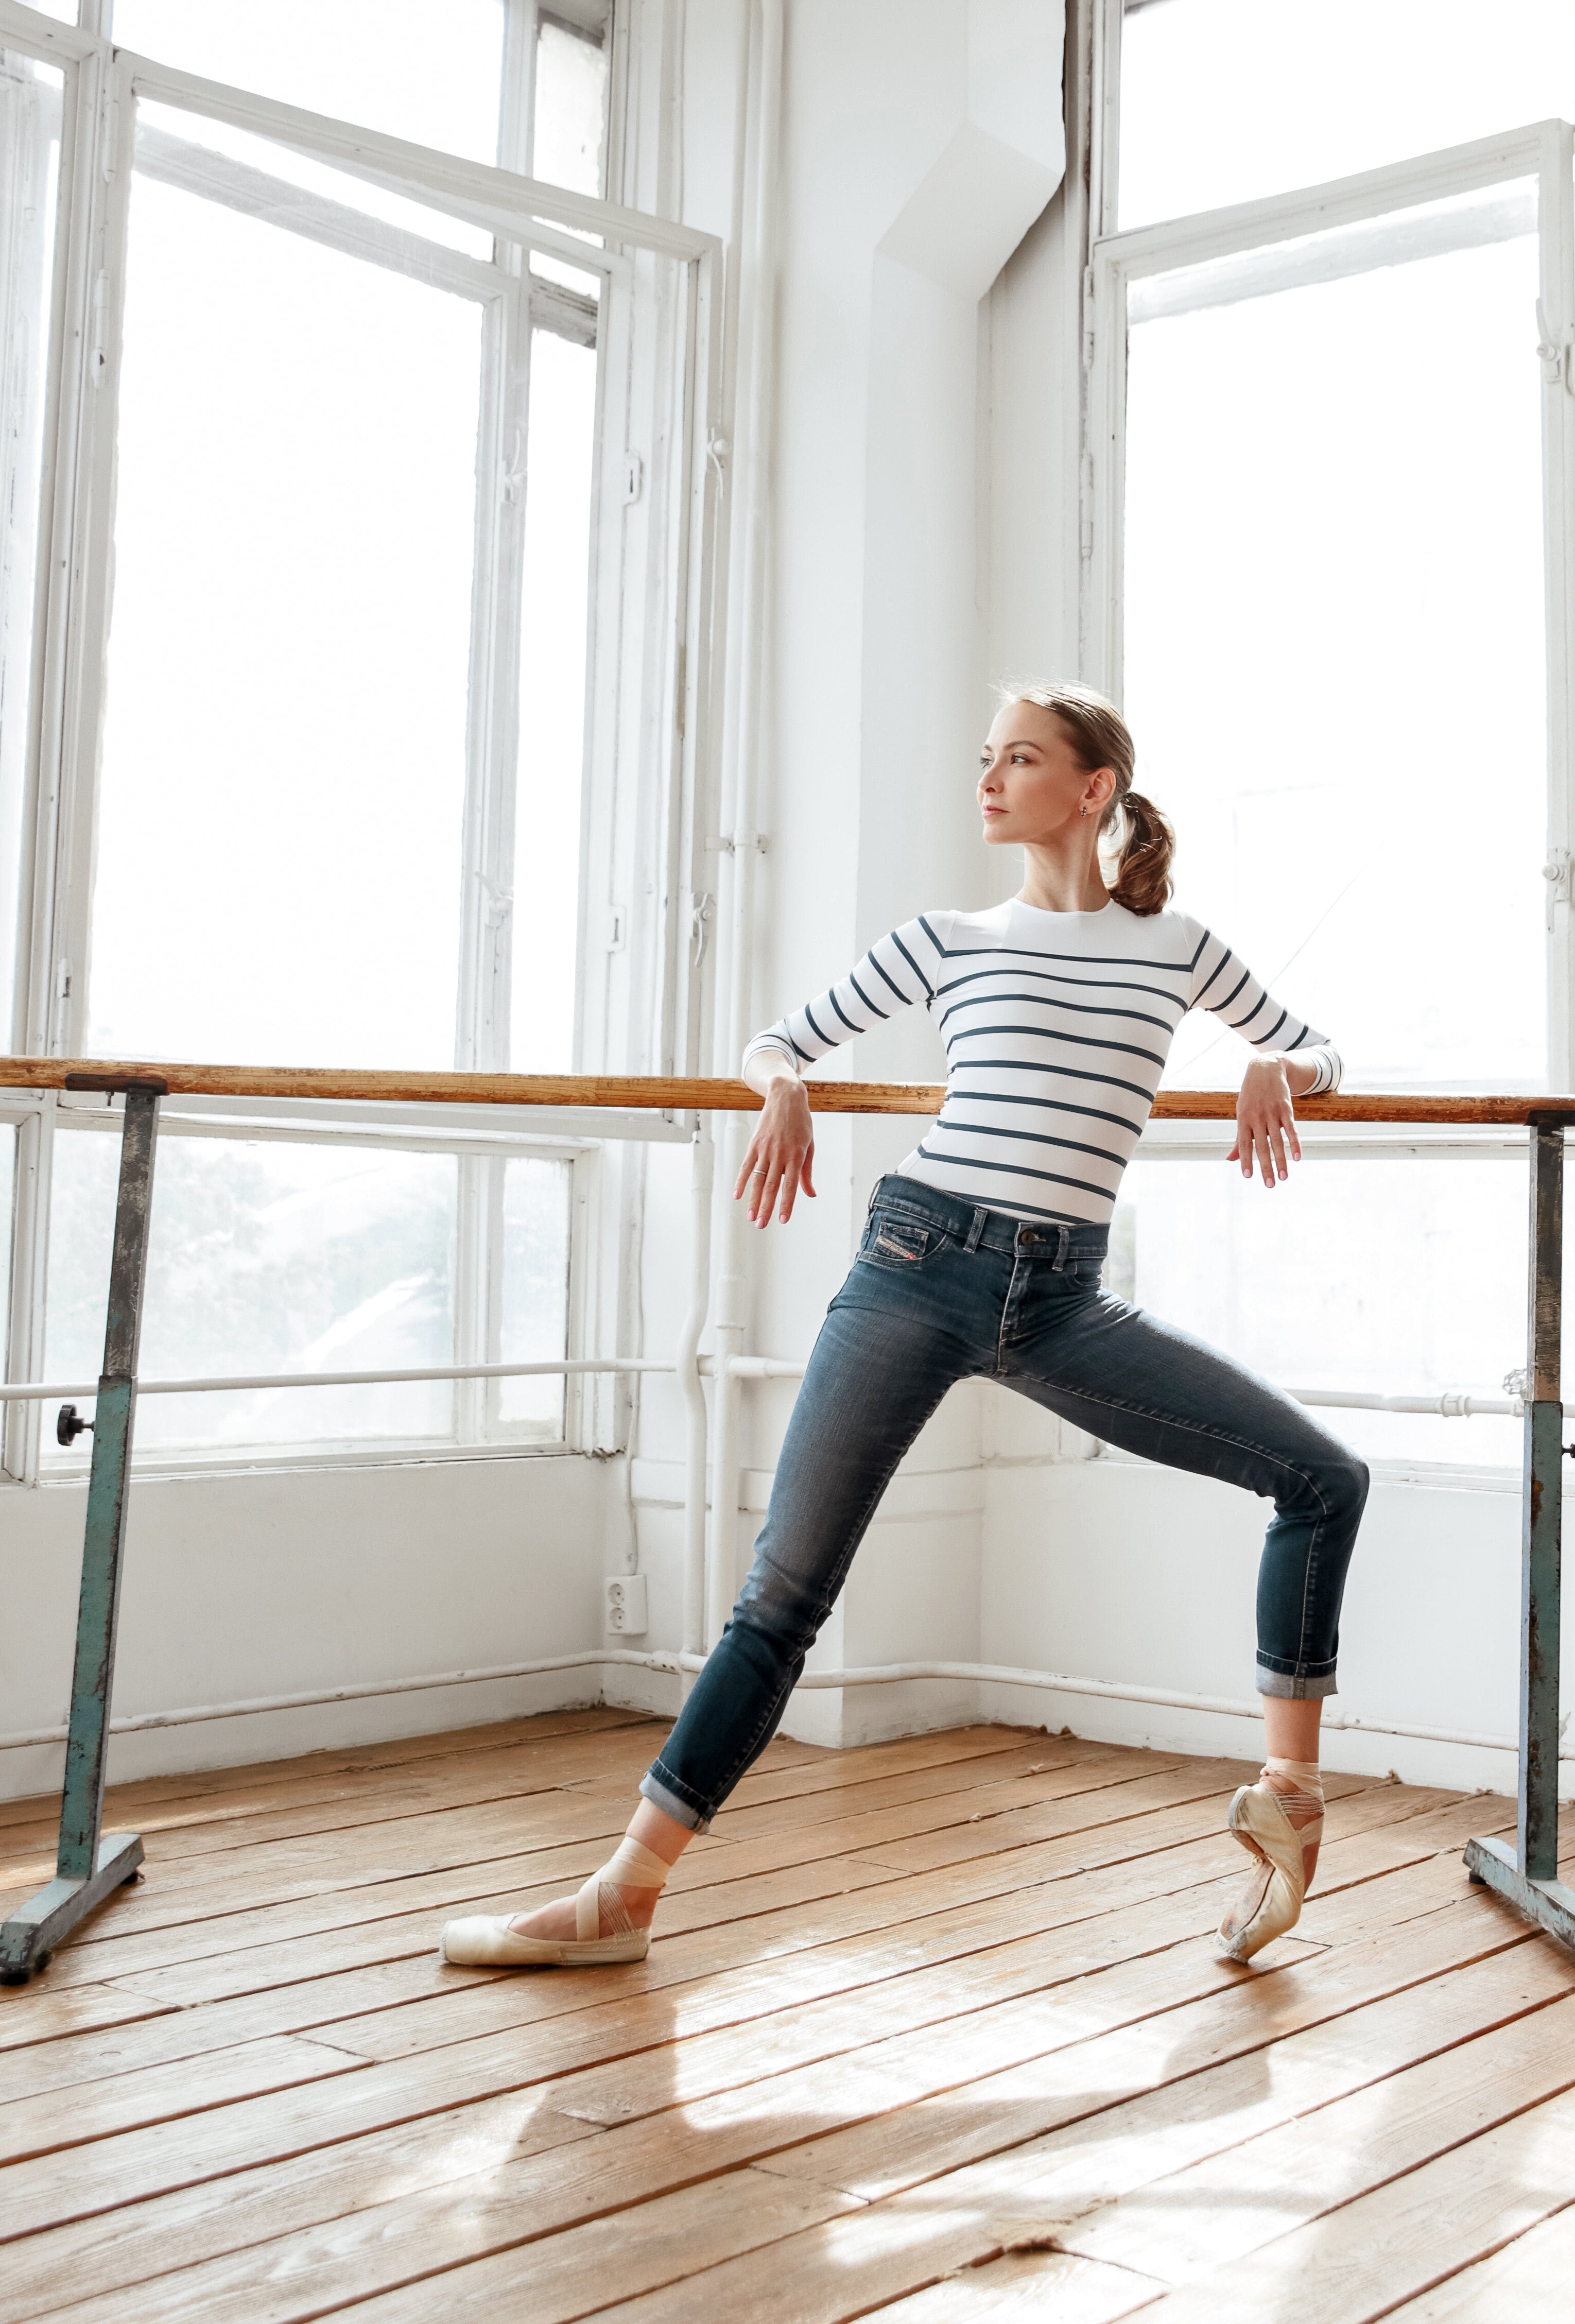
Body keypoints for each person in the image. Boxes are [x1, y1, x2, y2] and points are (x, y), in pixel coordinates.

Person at [443, 685, 1369, 1975]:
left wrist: (1283, 1065)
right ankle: (621, 1899)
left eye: (1021, 758)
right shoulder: (949, 938)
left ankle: (1292, 1799)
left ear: (1095, 787)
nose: (988, 778)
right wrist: (785, 1092)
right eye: (984, 757)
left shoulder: (1178, 949)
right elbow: (778, 1038)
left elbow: (1324, 1046)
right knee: (783, 1597)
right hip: (915, 1268)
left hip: (1063, 1300)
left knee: (1324, 1477)